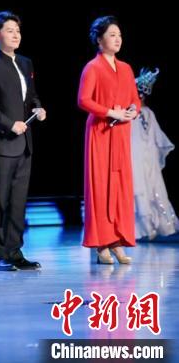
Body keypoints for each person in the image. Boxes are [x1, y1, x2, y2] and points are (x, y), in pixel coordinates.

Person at [0, 11, 46, 271]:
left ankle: (15, 252)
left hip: (24, 144)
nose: (16, 35)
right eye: (10, 30)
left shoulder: (25, 63)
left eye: (18, 30)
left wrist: (37, 107)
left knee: (17, 203)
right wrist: (8, 124)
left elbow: (31, 96)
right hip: (1, 145)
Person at [78, 16, 141, 264]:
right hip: (101, 133)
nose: (117, 39)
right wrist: (109, 112)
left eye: (119, 35)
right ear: (99, 39)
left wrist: (133, 111)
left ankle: (117, 241)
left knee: (121, 185)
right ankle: (101, 243)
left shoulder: (126, 68)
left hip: (121, 133)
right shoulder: (92, 67)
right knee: (101, 186)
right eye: (112, 35)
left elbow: (134, 99)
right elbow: (84, 100)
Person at [130, 68, 177, 240]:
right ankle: (144, 227)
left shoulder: (148, 113)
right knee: (139, 187)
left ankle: (154, 225)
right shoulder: (131, 114)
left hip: (146, 156)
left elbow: (157, 137)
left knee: (151, 187)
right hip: (136, 156)